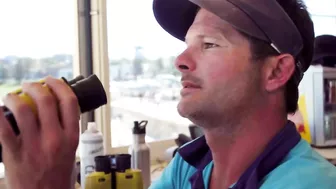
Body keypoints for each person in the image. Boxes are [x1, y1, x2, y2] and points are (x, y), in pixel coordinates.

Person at [149, 0, 336, 188]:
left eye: (209, 44)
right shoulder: (187, 165)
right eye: (188, 44)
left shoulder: (310, 183)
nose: (180, 61)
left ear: (276, 71)